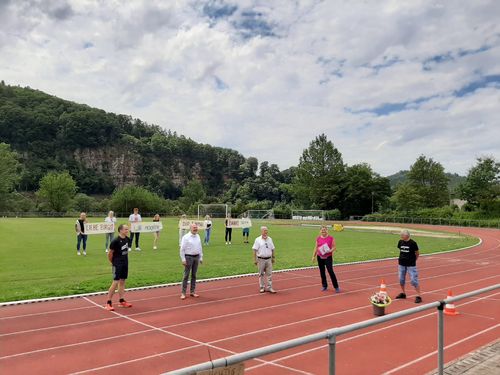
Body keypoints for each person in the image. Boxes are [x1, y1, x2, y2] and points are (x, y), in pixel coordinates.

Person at [105, 224, 133, 311]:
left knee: (122, 281)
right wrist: (113, 263)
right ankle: (108, 302)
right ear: (120, 230)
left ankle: (121, 300)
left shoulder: (128, 239)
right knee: (115, 282)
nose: (127, 231)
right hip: (117, 264)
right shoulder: (115, 241)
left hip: (125, 262)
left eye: (127, 229)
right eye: (125, 229)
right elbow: (110, 253)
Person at [395, 229, 422, 303]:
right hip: (401, 264)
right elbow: (401, 251)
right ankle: (403, 293)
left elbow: (417, 253)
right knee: (401, 279)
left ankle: (418, 295)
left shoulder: (413, 243)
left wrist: (414, 260)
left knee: (414, 280)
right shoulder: (400, 242)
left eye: (402, 235)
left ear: (406, 236)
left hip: (411, 265)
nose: (401, 236)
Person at [311, 225, 340, 292]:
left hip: (328, 257)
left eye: (325, 230)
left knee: (330, 271)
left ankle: (336, 287)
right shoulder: (318, 238)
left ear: (327, 230)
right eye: (322, 230)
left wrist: (330, 250)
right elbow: (315, 248)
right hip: (320, 257)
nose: (323, 231)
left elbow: (334, 247)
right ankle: (324, 285)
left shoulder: (331, 238)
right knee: (322, 272)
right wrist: (313, 256)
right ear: (320, 231)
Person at [180, 223, 203, 300]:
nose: (195, 229)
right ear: (190, 228)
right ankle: (183, 293)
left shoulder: (198, 236)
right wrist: (183, 259)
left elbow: (200, 247)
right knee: (186, 275)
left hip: (196, 257)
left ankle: (192, 292)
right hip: (188, 257)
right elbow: (182, 249)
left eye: (196, 227)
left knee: (194, 275)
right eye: (194, 227)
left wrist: (201, 257)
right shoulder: (186, 237)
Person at [252, 226, 276, 293]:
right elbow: (254, 250)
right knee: (261, 274)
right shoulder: (257, 240)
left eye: (266, 230)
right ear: (261, 231)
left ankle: (270, 287)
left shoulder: (270, 239)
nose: (266, 232)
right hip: (261, 259)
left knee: (269, 274)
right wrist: (255, 260)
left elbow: (273, 248)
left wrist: (273, 257)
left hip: (269, 259)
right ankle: (262, 287)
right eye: (265, 230)